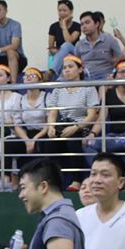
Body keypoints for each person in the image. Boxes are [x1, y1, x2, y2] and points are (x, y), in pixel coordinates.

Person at [83, 60, 125, 190]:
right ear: (115, 75)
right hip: (113, 137)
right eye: (122, 72)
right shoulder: (109, 95)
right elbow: (101, 119)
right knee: (87, 144)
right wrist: (92, 134)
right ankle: (103, 176)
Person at [46, 55, 99, 191]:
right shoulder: (58, 89)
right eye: (64, 68)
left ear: (80, 69)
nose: (67, 70)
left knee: (73, 141)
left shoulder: (88, 88)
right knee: (48, 143)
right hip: (63, 124)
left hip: (81, 126)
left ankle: (77, 180)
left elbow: (92, 115)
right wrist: (51, 126)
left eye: (70, 67)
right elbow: (53, 112)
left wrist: (76, 127)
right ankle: (53, 180)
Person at [3, 67, 50, 186]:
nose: (28, 77)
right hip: (27, 134)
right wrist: (27, 140)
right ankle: (5, 180)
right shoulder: (20, 100)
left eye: (32, 75)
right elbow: (17, 125)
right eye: (26, 75)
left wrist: (35, 139)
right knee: (7, 143)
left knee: (46, 144)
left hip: (43, 133)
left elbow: (49, 123)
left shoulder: (46, 97)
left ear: (40, 80)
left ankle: (42, 181)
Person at [69, 11, 123, 80]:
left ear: (97, 24)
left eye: (87, 23)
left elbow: (120, 60)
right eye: (82, 24)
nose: (84, 26)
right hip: (86, 78)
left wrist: (113, 74)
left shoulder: (109, 40)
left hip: (106, 78)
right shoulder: (79, 44)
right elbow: (76, 64)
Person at [0, 0, 27, 75]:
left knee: (10, 52)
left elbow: (14, 45)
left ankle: (13, 82)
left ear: (5, 11)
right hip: (0, 58)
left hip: (17, 58)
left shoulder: (15, 25)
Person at [48, 0, 82, 77]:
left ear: (71, 11)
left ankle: (51, 71)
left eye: (64, 10)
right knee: (63, 54)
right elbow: (51, 48)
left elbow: (69, 41)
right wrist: (56, 50)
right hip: (60, 55)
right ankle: (60, 77)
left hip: (75, 54)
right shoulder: (53, 26)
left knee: (66, 45)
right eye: (60, 10)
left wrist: (63, 25)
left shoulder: (77, 26)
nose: (62, 13)